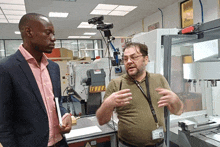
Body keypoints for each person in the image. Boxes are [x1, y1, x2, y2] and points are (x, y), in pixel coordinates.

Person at [0, 13, 72, 147]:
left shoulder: (54, 68)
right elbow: (3, 124)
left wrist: (64, 114)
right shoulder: (6, 68)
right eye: (48, 33)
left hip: (60, 143)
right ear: (29, 32)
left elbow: (56, 102)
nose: (53, 38)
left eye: (53, 34)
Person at [96, 42, 183, 147]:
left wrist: (176, 100)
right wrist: (108, 104)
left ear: (146, 59)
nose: (129, 62)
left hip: (159, 144)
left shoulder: (159, 79)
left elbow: (177, 111)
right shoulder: (116, 84)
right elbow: (102, 120)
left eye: (134, 57)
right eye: (125, 59)